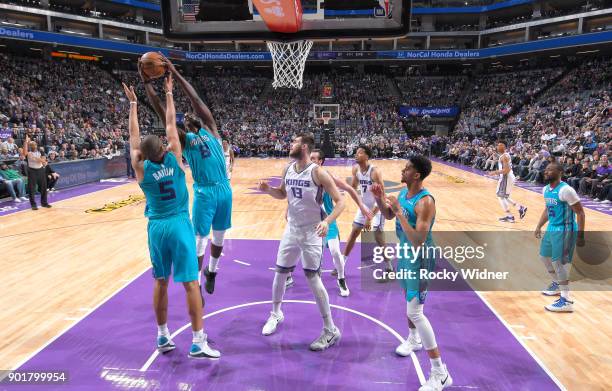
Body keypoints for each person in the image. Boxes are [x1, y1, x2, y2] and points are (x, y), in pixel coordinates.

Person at [122, 77, 220, 359]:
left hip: (156, 227)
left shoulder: (140, 167)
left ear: (143, 154)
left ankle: (162, 335)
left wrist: (132, 105)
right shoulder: (175, 158)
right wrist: (167, 93)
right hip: (178, 224)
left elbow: (133, 137)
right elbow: (169, 125)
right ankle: (198, 340)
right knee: (190, 283)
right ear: (164, 149)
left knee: (160, 281)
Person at [142, 54, 232, 297]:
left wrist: (175, 72)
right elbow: (164, 115)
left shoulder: (212, 129)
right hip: (204, 191)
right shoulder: (185, 141)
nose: (193, 115)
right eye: (189, 117)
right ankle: (198, 286)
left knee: (220, 236)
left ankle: (212, 271)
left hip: (224, 188)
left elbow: (195, 98)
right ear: (187, 125)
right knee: (201, 239)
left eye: (195, 114)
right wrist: (148, 85)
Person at [372, 155, 452, 391]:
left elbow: (418, 239)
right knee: (409, 303)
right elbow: (387, 215)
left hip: (420, 256)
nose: (403, 170)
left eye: (407, 168)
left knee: (415, 312)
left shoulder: (425, 201)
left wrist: (397, 211)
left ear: (416, 175)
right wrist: (379, 199)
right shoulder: (405, 195)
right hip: (405, 253)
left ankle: (440, 373)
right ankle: (414, 339)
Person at [258, 133, 345, 351]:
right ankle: (276, 313)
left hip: (312, 231)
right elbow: (281, 193)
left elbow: (341, 202)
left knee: (313, 279)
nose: (290, 144)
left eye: (294, 142)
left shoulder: (318, 172)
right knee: (280, 273)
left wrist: (327, 221)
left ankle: (330, 329)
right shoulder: (287, 169)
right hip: (292, 229)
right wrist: (268, 191)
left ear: (304, 146)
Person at [285, 148, 373, 296]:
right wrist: (287, 208)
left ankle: (341, 279)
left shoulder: (326, 176)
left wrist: (362, 206)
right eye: (309, 157)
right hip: (308, 221)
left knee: (335, 252)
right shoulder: (302, 175)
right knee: (294, 248)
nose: (310, 160)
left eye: (314, 158)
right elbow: (295, 195)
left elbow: (350, 190)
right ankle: (287, 275)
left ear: (320, 161)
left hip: (327, 220)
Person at [535, 162, 585, 313]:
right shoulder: (545, 189)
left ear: (560, 172)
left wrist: (581, 235)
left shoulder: (566, 190)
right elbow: (547, 209)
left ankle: (566, 300)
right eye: (546, 169)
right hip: (552, 229)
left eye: (550, 169)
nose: (546, 171)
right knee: (544, 257)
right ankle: (557, 283)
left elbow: (580, 213)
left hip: (565, 230)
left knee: (559, 263)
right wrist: (538, 226)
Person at [342, 145, 393, 275]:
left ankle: (388, 265)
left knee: (378, 237)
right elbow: (353, 188)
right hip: (365, 206)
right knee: (354, 233)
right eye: (356, 152)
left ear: (367, 156)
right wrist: (361, 206)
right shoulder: (356, 169)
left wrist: (370, 216)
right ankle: (341, 264)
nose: (356, 154)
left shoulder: (374, 172)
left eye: (359, 152)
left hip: (379, 207)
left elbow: (382, 196)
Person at [487, 141, 527, 223]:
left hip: (506, 177)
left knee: (500, 196)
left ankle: (510, 216)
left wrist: (494, 172)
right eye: (497, 145)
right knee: (504, 196)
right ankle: (520, 208)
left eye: (500, 145)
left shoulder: (504, 157)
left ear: (504, 147)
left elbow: (506, 170)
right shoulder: (504, 155)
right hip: (508, 177)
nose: (498, 146)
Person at [24, 135, 50, 210]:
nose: (33, 145)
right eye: (31, 144)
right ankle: (33, 205)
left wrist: (34, 158)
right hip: (32, 171)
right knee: (31, 189)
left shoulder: (40, 151)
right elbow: (24, 152)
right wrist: (26, 142)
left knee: (43, 188)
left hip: (40, 170)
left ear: (36, 145)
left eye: (34, 144)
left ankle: (44, 203)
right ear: (30, 146)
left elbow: (43, 161)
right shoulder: (28, 152)